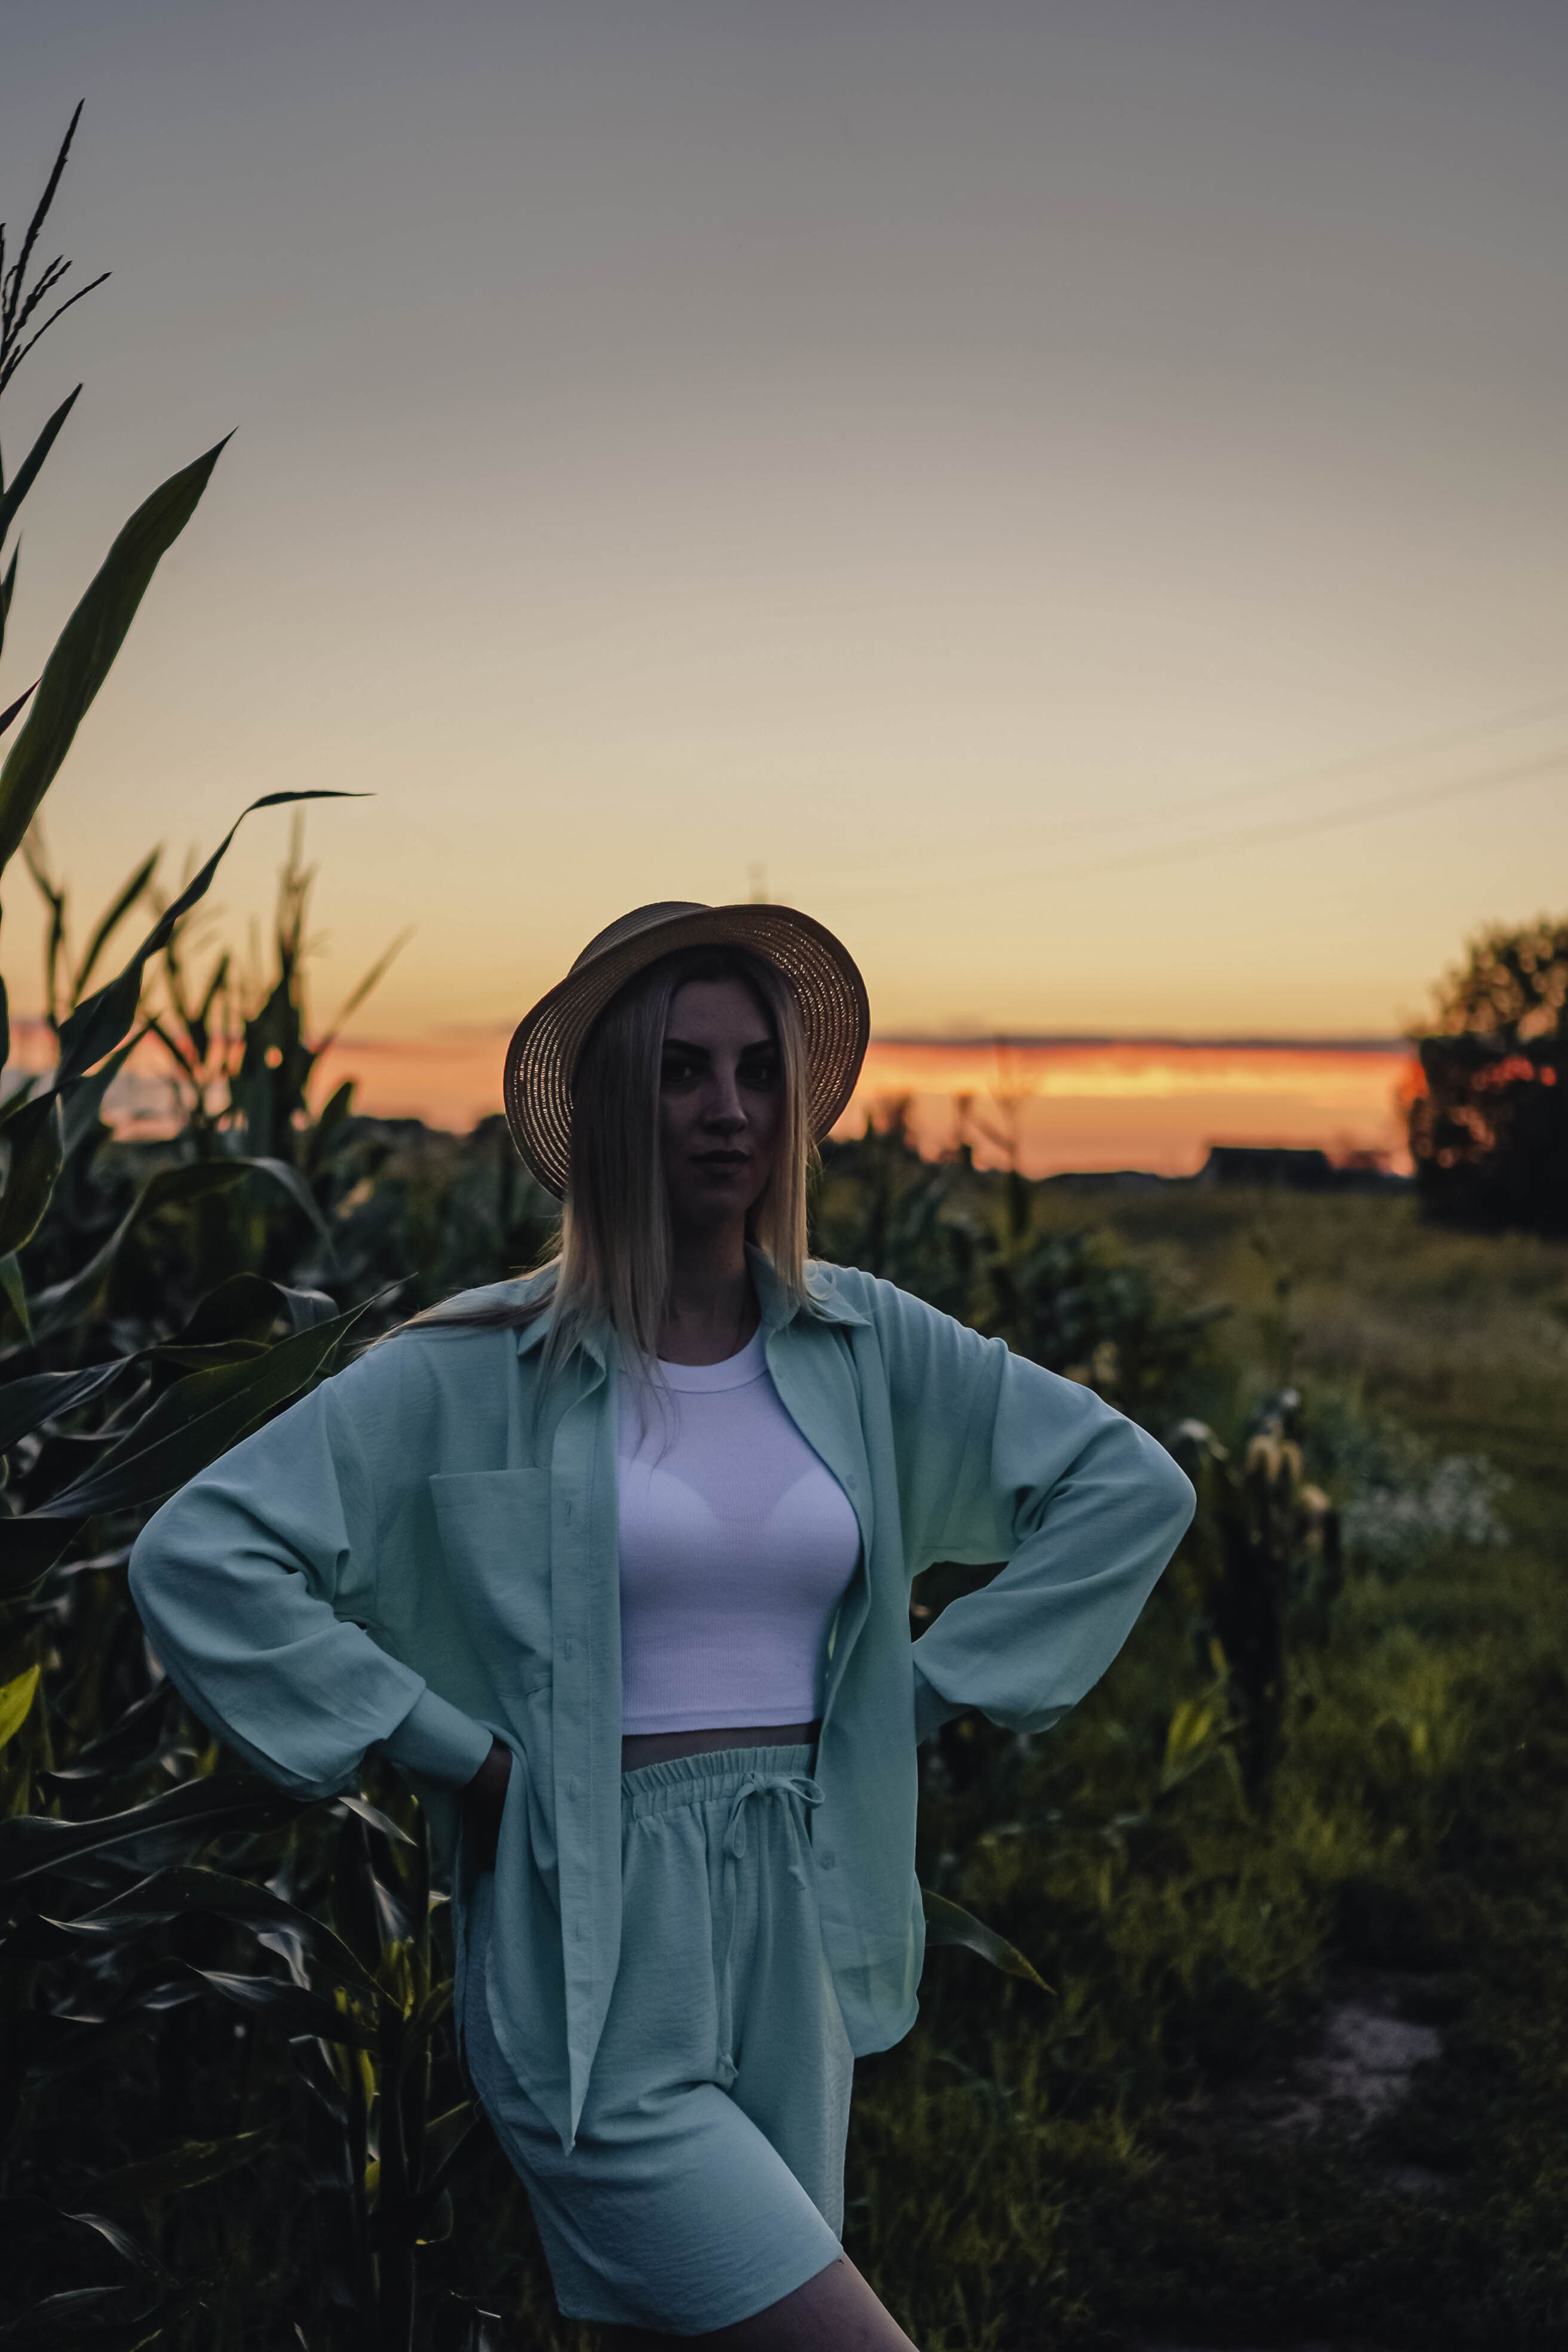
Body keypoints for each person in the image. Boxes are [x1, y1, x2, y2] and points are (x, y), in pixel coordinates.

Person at [129, 899, 1195, 2349]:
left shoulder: (864, 1341)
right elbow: (205, 1549)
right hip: (586, 1931)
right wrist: (461, 1755)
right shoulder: (479, 1364)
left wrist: (917, 1693)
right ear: (612, 1099)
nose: (728, 1110)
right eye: (682, 1071)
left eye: (759, 1071)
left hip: (801, 1904)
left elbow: (1124, 1485)